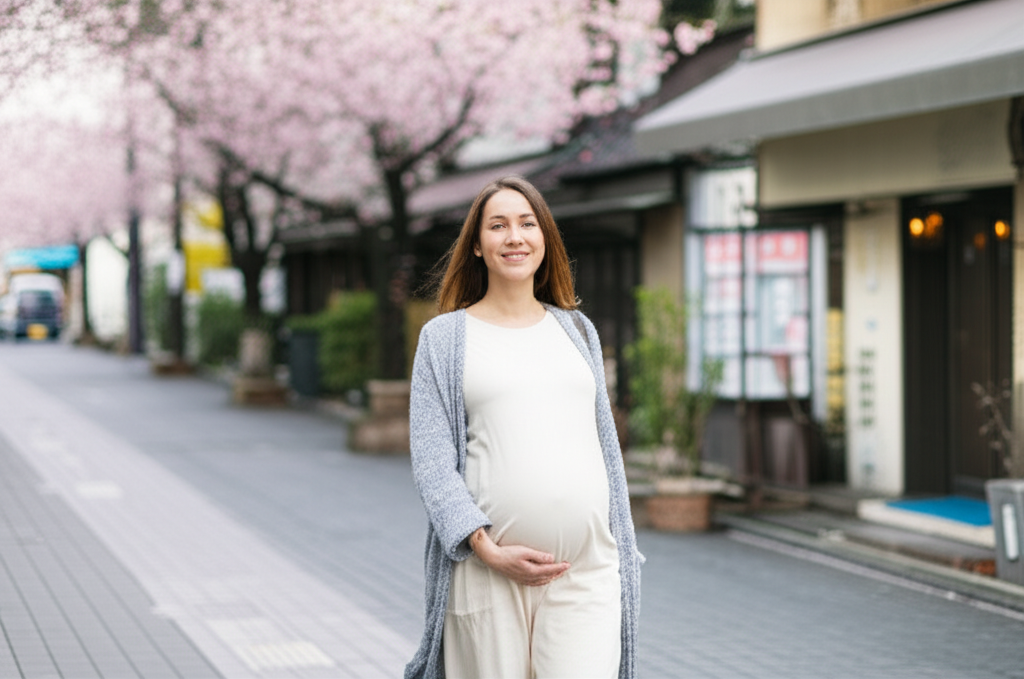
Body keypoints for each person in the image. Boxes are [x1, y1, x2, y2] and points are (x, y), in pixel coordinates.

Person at [404, 175, 643, 679]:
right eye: (498, 225)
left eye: (527, 223)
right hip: (486, 572)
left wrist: (621, 547)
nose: (514, 236)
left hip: (586, 572)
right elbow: (431, 461)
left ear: (545, 238)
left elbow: (604, 446)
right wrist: (485, 548)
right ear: (476, 245)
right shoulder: (444, 338)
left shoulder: (577, 330)